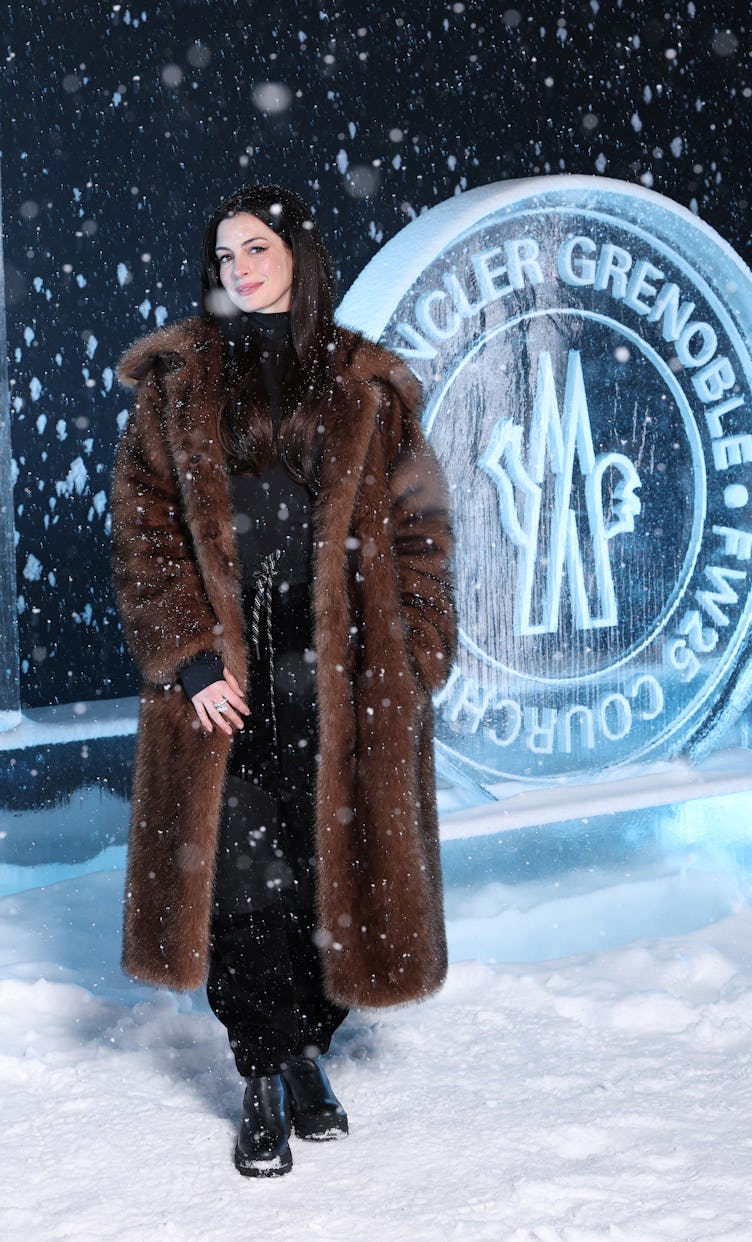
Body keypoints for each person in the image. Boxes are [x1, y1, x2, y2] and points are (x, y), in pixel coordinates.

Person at [110, 184, 456, 1177]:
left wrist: (416, 653)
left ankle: (309, 1046)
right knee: (240, 882)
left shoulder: (365, 382)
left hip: (345, 678)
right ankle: (261, 1073)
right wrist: (189, 659)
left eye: (254, 249)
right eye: (223, 258)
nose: (238, 270)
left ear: (297, 254)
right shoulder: (177, 383)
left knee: (333, 882)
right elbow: (145, 537)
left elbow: (420, 531)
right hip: (228, 678)